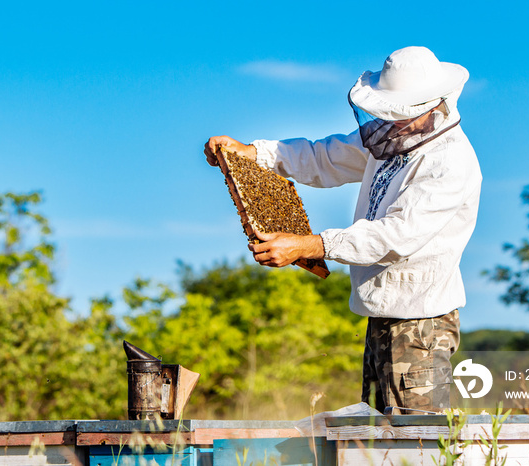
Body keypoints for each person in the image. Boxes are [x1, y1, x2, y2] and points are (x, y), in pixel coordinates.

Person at [204, 46, 482, 414]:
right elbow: (324, 157)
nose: (391, 121)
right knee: (376, 441)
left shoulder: (448, 162)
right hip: (382, 317)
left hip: (420, 326)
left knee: (416, 445)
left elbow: (394, 236)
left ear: (433, 104)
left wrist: (310, 245)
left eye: (400, 113)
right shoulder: (393, 139)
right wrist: (256, 154)